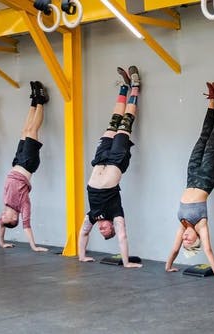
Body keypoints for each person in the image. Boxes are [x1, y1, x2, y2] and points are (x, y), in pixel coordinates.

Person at [164, 82, 214, 280]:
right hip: (207, 177)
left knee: (202, 137)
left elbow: (174, 250)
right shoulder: (201, 225)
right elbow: (209, 251)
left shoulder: (182, 225)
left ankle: (211, 101)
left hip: (191, 176)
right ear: (197, 239)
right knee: (213, 138)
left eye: (184, 240)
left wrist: (168, 266)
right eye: (189, 241)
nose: (185, 238)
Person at [78, 66, 142, 268]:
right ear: (111, 228)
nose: (101, 229)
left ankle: (123, 87)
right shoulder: (116, 214)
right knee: (126, 122)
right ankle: (135, 87)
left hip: (99, 160)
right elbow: (123, 237)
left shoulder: (93, 216)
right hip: (115, 160)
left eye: (101, 231)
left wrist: (81, 256)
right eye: (105, 231)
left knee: (113, 122)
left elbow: (83, 232)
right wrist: (126, 262)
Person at [0, 81, 49, 252]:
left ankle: (33, 100)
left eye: (2, 217)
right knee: (33, 131)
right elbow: (27, 226)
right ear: (14, 219)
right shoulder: (22, 205)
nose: (3, 216)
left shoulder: (7, 207)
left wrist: (2, 242)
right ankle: (41, 100)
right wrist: (34, 246)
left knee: (25, 131)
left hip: (17, 162)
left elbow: (0, 227)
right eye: (6, 218)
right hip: (28, 163)